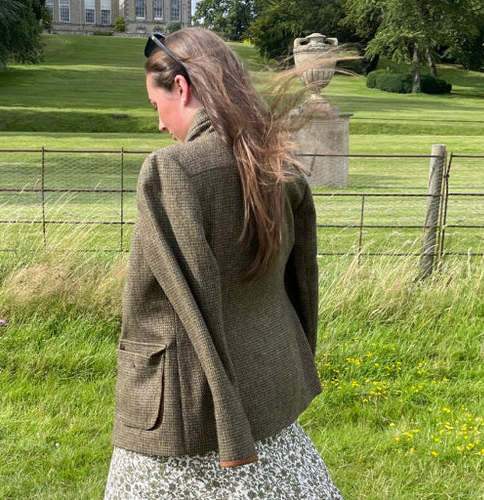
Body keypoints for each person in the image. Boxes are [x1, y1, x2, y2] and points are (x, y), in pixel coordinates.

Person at [103, 28, 339, 499]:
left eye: (157, 106)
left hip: (186, 411)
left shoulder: (174, 170)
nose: (159, 125)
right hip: (270, 384)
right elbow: (302, 288)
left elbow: (192, 308)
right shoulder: (276, 161)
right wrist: (296, 361)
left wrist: (229, 424)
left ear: (182, 88)